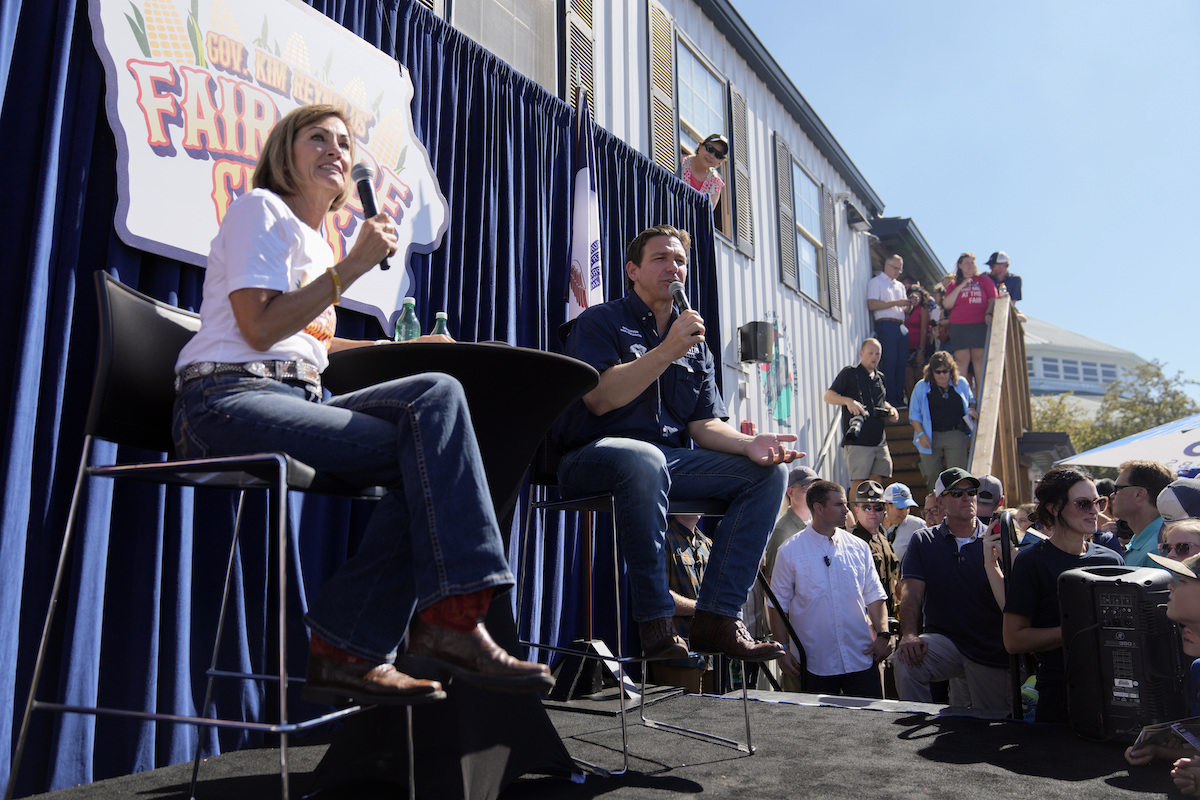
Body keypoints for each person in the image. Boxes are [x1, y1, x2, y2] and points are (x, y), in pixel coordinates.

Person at [171, 104, 552, 705]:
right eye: (316, 138)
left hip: (295, 393)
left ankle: (359, 643)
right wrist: (350, 269)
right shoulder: (260, 210)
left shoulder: (317, 245)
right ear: (283, 153)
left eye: (344, 143)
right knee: (430, 435)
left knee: (434, 413)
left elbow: (313, 341)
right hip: (224, 400)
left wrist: (402, 347)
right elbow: (258, 328)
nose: (335, 150)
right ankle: (445, 619)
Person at [556, 224, 800, 662]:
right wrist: (667, 349)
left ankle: (717, 618)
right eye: (661, 259)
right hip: (592, 457)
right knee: (644, 458)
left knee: (769, 475)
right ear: (632, 270)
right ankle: (656, 624)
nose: (674, 267)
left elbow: (705, 425)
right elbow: (598, 398)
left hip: (665, 464)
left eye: (681, 261)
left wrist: (748, 445)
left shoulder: (695, 345)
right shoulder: (601, 321)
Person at [1003, 466, 1124, 724]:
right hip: (1060, 693)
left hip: (1115, 690)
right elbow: (1013, 640)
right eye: (1083, 504)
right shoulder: (1032, 562)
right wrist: (1080, 629)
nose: (1095, 511)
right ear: (1054, 508)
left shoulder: (1111, 559)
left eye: (1098, 502)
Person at [891, 468, 1011, 718]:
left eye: (972, 491)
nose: (967, 497)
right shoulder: (923, 540)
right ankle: (910, 740)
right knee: (905, 659)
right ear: (940, 501)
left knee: (995, 723)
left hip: (991, 647)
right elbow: (910, 594)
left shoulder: (997, 538)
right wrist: (910, 635)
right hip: (946, 643)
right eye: (957, 492)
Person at [769, 481, 891, 698]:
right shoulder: (789, 551)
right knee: (819, 730)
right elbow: (777, 606)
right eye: (840, 505)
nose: (847, 510)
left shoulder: (858, 547)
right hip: (815, 664)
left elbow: (874, 595)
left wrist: (883, 635)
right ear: (818, 508)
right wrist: (782, 650)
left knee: (870, 726)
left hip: (861, 658)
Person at [824, 338, 900, 500]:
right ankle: (857, 524)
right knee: (859, 484)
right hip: (858, 441)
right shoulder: (849, 373)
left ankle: (872, 518)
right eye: (870, 353)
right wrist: (848, 401)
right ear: (861, 354)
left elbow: (880, 402)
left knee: (878, 480)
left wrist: (891, 409)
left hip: (879, 440)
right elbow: (828, 396)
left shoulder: (880, 378)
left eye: (877, 354)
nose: (874, 357)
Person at [653, 515, 714, 693]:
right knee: (679, 717)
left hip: (708, 656)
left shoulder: (706, 543)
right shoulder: (663, 540)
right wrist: (701, 609)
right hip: (677, 657)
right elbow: (658, 597)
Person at [908, 351, 976, 491]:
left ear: (952, 370)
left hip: (955, 433)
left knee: (957, 476)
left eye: (946, 371)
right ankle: (936, 509)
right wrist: (921, 434)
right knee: (933, 475)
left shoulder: (961, 383)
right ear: (931, 371)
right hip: (930, 434)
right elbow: (914, 414)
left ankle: (956, 508)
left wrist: (970, 410)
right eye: (938, 372)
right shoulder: (922, 386)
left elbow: (971, 401)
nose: (942, 375)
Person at [941, 252, 998, 391]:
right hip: (959, 325)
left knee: (979, 360)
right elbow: (947, 304)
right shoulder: (954, 284)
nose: (970, 265)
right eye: (966, 262)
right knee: (961, 361)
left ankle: (982, 397)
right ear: (960, 266)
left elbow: (993, 298)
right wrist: (963, 285)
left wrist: (988, 313)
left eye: (972, 262)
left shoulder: (983, 280)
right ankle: (962, 397)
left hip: (979, 323)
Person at [1110, 459, 1175, 567]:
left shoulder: (1158, 549)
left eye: (1117, 489)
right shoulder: (1156, 540)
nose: (1112, 495)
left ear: (1139, 494)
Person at [866, 255, 910, 408]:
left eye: (900, 269)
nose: (898, 272)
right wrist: (897, 303)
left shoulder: (900, 286)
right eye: (895, 268)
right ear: (886, 265)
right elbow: (872, 304)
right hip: (886, 324)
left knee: (901, 364)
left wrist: (909, 304)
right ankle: (889, 400)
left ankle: (899, 398)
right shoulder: (876, 282)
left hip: (901, 325)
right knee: (889, 363)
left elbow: (903, 308)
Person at [851, 481, 900, 617]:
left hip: (888, 619)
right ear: (856, 510)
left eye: (877, 507)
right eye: (866, 507)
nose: (872, 512)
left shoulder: (883, 538)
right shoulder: (852, 542)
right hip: (867, 624)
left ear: (885, 509)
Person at [680, 134, 728, 208]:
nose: (711, 156)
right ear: (700, 146)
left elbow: (707, 215)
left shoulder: (715, 184)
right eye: (710, 149)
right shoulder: (679, 162)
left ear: (720, 162)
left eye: (718, 155)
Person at [883, 482, 924, 564]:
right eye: (900, 508)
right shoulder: (874, 524)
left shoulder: (917, 526)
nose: (905, 513)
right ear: (886, 506)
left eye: (908, 508)